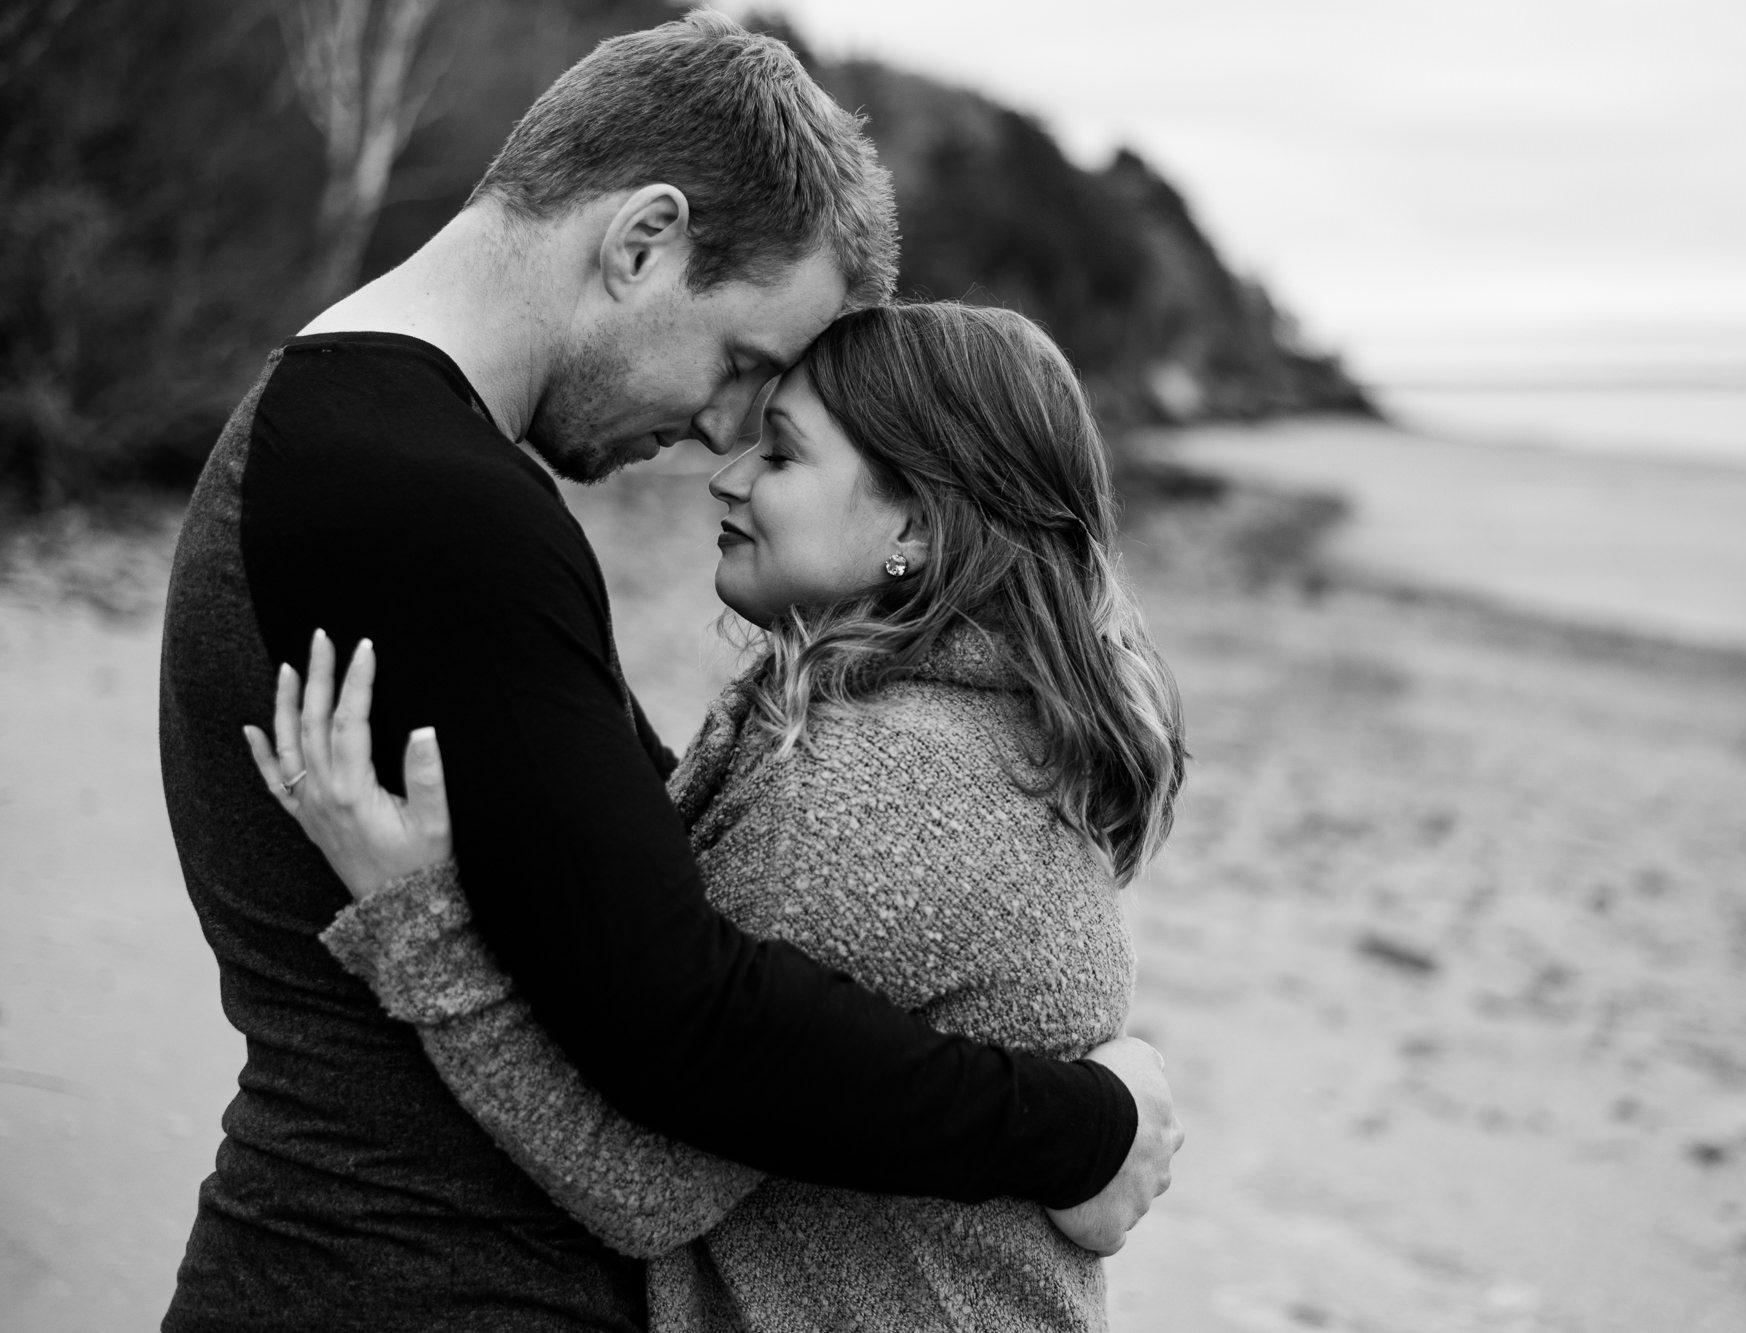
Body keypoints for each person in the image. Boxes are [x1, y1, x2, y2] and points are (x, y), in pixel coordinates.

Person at [157, 14, 1177, 1330]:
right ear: (643, 241)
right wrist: (1082, 1125)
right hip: (402, 1278)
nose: (719, 434)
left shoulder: (360, 454)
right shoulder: (426, 505)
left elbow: (660, 908)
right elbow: (687, 1021)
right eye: (743, 365)